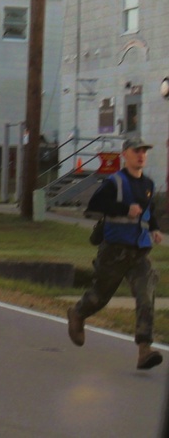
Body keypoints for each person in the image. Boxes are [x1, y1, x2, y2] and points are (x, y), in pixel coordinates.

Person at [67, 137, 164, 370]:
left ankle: (144, 350)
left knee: (146, 297)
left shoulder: (148, 184)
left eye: (144, 151)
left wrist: (154, 229)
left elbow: (148, 212)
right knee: (100, 297)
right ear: (125, 154)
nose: (141, 155)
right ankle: (78, 314)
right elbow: (95, 204)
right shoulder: (115, 182)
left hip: (139, 253)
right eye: (136, 151)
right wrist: (124, 209)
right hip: (114, 252)